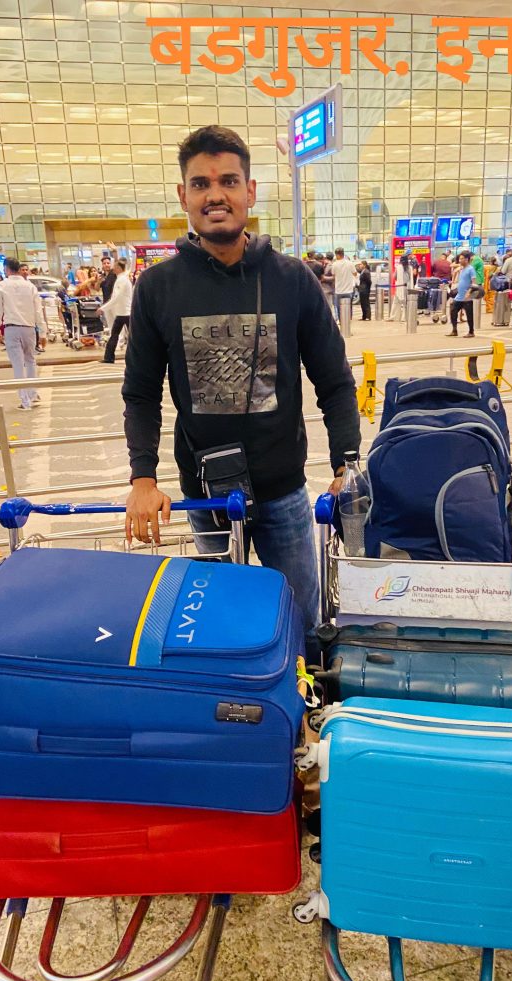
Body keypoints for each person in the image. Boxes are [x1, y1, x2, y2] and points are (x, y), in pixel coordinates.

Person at [122, 124, 360, 660]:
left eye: (229, 181)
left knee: (302, 622)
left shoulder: (291, 279)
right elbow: (140, 393)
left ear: (250, 192)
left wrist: (346, 462)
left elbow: (334, 379)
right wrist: (143, 478)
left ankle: (304, 701)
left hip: (284, 493)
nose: (216, 195)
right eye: (201, 184)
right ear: (183, 196)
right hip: (206, 494)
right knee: (220, 625)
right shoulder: (158, 287)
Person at [0, 257, 46, 411]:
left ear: (6, 268)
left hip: (12, 328)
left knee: (18, 364)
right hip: (29, 327)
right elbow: (38, 311)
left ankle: (24, 400)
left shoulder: (1, 286)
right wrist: (42, 332)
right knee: (30, 361)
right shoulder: (30, 286)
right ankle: (33, 394)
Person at [100, 259, 132, 364]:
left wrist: (103, 308)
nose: (113, 268)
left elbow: (116, 298)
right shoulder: (121, 279)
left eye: (115, 266)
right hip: (122, 313)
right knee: (114, 334)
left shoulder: (122, 280)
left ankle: (109, 357)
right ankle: (108, 357)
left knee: (131, 336)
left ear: (119, 268)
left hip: (126, 313)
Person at [447, 251, 476, 338]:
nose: (460, 260)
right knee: (453, 310)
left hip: (467, 296)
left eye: (461, 259)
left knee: (469, 314)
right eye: (459, 258)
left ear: (467, 259)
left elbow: (474, 283)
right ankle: (454, 330)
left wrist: (469, 292)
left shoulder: (471, 269)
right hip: (459, 295)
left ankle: (471, 332)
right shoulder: (462, 269)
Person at [330, 247, 357, 323]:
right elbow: (355, 273)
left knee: (339, 308)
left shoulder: (334, 264)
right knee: (348, 307)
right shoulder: (350, 263)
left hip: (339, 290)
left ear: (337, 255)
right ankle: (347, 322)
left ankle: (341, 322)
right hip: (349, 290)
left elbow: (333, 275)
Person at [388, 253, 409, 322]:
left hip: (399, 287)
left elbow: (394, 277)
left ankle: (393, 317)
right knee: (405, 303)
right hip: (406, 287)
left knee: (396, 302)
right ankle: (404, 318)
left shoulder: (398, 267)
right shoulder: (409, 267)